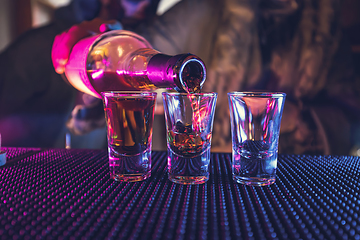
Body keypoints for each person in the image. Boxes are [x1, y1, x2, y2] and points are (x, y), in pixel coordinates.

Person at [0, 0, 160, 149]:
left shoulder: (133, 51)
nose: (143, 8)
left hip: (89, 173)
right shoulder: (36, 47)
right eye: (135, 0)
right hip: (29, 169)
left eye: (151, 2)